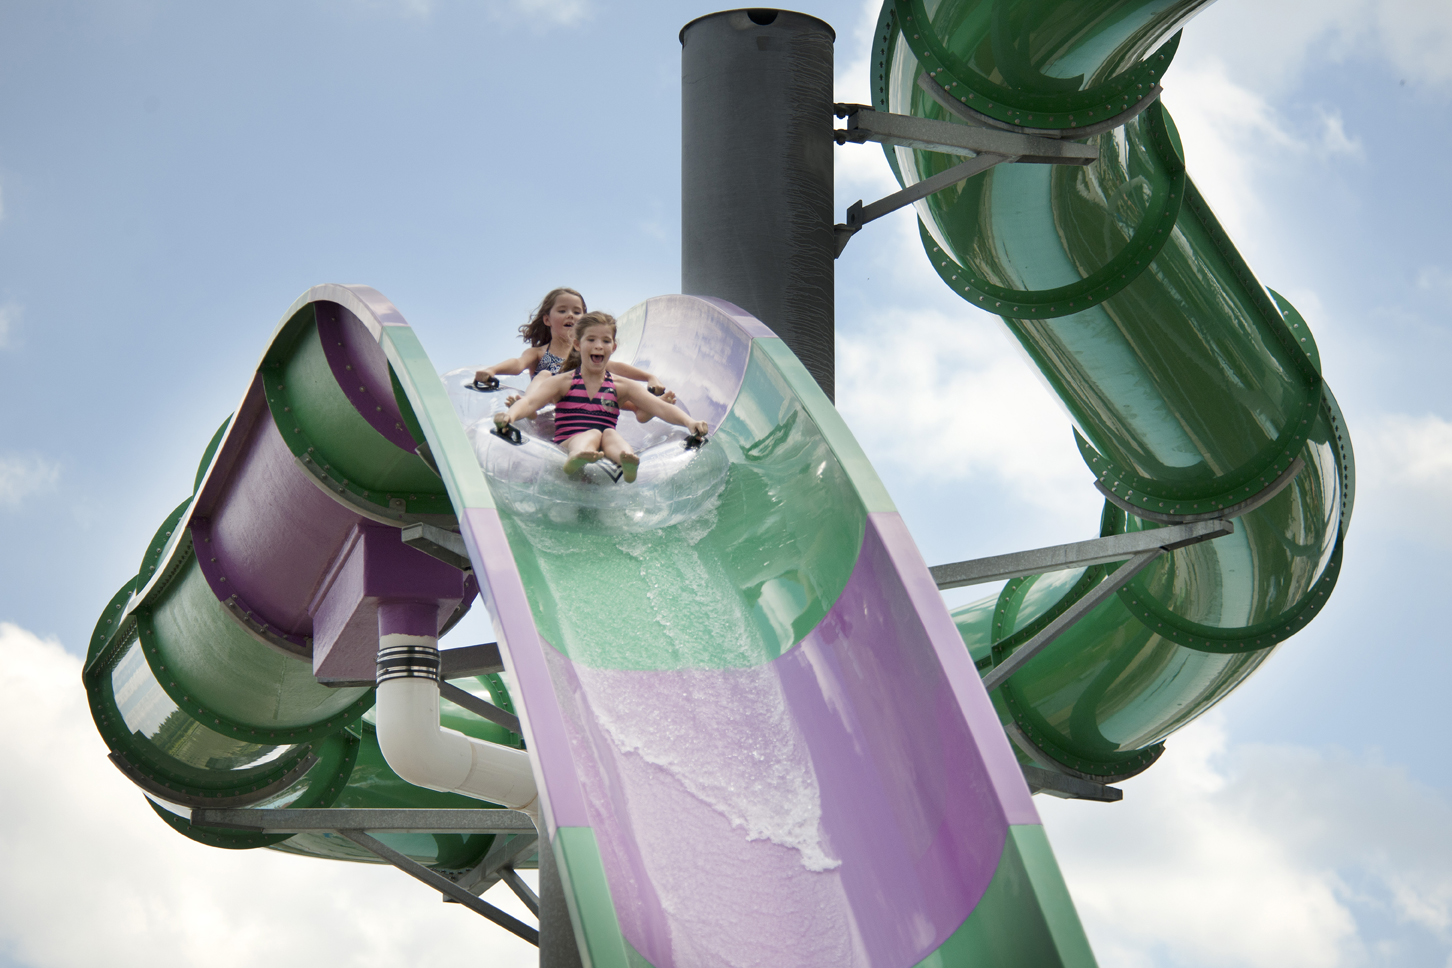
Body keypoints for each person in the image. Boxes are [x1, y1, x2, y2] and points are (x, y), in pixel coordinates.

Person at [494, 312, 707, 483]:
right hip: (568, 443)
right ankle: (577, 456)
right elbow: (530, 402)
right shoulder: (563, 382)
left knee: (610, 434)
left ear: (613, 348)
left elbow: (660, 408)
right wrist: (510, 417)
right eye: (591, 339)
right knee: (595, 433)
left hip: (603, 448)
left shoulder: (621, 386)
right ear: (577, 345)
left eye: (606, 341)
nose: (598, 345)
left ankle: (626, 460)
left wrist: (690, 422)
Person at [474, 288, 670, 399]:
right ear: (547, 320)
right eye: (562, 311)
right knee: (545, 375)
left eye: (577, 312)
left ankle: (646, 408)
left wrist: (650, 377)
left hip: (580, 408)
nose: (570, 315)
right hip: (546, 406)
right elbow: (517, 364)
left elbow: (615, 367)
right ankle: (527, 405)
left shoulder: (586, 354)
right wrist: (492, 370)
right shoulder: (539, 353)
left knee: (609, 383)